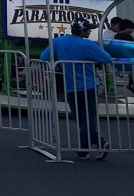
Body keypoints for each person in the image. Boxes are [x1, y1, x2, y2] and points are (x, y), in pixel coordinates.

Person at [41, 17, 113, 160]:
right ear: (83, 31)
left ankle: (98, 143)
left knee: (79, 118)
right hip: (88, 86)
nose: (90, 32)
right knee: (88, 119)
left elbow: (44, 56)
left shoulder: (59, 41)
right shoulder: (89, 45)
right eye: (89, 30)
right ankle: (88, 148)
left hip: (70, 86)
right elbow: (106, 58)